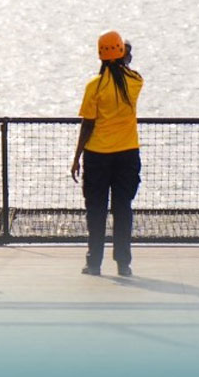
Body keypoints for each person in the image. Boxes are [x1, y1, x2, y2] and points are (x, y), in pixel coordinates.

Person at [69, 30, 144, 277]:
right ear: (123, 54)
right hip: (127, 154)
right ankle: (123, 264)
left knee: (96, 210)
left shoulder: (94, 86)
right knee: (123, 209)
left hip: (97, 156)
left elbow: (88, 124)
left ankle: (94, 263)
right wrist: (124, 53)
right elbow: (127, 66)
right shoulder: (135, 82)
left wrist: (77, 156)